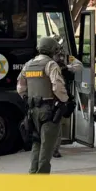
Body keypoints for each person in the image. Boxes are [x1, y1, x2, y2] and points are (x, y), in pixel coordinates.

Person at [17, 36, 69, 174]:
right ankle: (42, 178)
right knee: (47, 147)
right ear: (52, 49)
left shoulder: (28, 64)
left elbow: (20, 87)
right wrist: (65, 100)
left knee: (36, 143)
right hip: (48, 110)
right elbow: (57, 86)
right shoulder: (51, 64)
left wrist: (27, 99)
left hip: (32, 111)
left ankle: (33, 173)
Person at [52, 44, 83, 158]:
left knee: (57, 122)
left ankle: (55, 149)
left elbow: (79, 66)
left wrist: (67, 68)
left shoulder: (68, 57)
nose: (59, 54)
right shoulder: (45, 59)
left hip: (59, 94)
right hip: (49, 93)